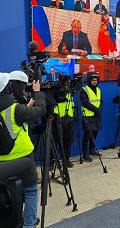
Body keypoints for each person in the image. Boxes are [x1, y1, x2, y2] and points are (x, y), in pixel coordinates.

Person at [0, 71, 46, 228]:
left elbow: (8, 124)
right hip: (23, 159)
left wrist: (25, 108)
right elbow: (40, 110)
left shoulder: (16, 109)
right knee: (31, 191)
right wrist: (38, 92)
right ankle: (29, 224)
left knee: (9, 195)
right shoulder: (16, 109)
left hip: (3, 165)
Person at [80, 72, 103, 162]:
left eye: (96, 80)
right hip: (88, 116)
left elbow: (101, 101)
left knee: (95, 134)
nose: (95, 82)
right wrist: (96, 110)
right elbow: (85, 103)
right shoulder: (84, 90)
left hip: (97, 116)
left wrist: (100, 110)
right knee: (87, 136)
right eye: (93, 80)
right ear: (89, 80)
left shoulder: (99, 90)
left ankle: (92, 150)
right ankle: (85, 154)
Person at [52, 82, 75, 168]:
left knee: (68, 142)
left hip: (69, 119)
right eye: (65, 84)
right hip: (57, 120)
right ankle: (52, 162)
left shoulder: (70, 92)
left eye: (68, 84)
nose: (67, 86)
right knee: (55, 142)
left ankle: (66, 160)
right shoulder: (56, 93)